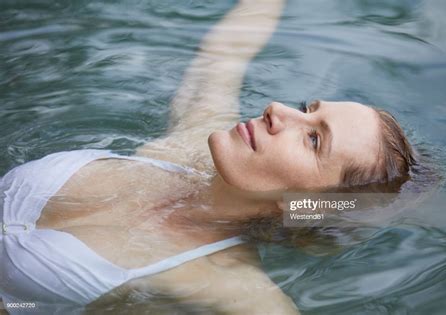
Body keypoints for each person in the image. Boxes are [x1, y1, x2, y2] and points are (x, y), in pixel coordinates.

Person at [0, 0, 415, 314]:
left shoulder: (227, 281)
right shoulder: (189, 147)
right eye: (308, 108)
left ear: (308, 205)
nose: (276, 109)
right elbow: (226, 52)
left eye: (312, 140)